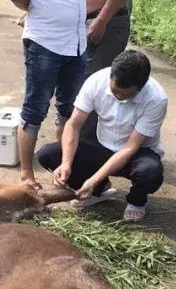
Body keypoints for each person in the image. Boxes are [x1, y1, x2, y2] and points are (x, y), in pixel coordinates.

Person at [8, 0, 102, 188]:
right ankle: (26, 174)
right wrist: (42, 10)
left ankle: (65, 169)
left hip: (75, 41)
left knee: (69, 109)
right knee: (35, 108)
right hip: (44, 41)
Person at [37, 50, 167, 223]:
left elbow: (130, 148)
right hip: (102, 144)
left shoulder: (156, 99)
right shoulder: (96, 81)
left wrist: (92, 179)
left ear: (141, 87)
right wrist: (66, 163)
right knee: (48, 154)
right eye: (115, 91)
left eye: (125, 94)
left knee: (150, 172)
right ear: (111, 77)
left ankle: (137, 201)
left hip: (136, 153)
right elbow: (73, 124)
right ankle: (100, 191)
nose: (119, 97)